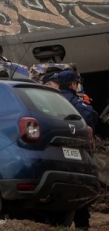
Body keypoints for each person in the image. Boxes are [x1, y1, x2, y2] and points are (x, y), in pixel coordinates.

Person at [50, 70, 97, 229]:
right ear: (72, 85)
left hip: (54, 150)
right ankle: (82, 225)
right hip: (76, 149)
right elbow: (89, 117)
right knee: (80, 188)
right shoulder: (75, 101)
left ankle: (57, 223)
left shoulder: (48, 98)